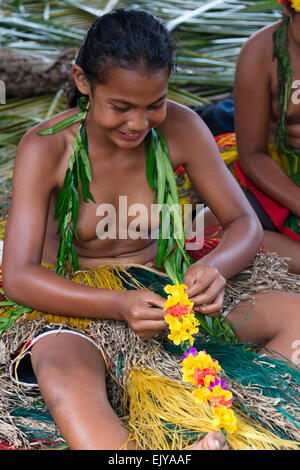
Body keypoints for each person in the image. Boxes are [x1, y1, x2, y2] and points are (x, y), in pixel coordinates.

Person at [1, 9, 300, 451]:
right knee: (64, 378)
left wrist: (216, 269)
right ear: (84, 81)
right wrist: (118, 304)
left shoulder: (182, 126)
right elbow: (19, 276)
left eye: (154, 104)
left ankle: (236, 416)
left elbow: (243, 223)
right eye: (120, 107)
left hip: (167, 289)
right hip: (76, 304)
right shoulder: (46, 147)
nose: (139, 124)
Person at [203, 0, 300, 274]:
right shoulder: (261, 52)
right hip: (280, 174)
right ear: (288, 8)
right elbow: (253, 153)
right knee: (210, 226)